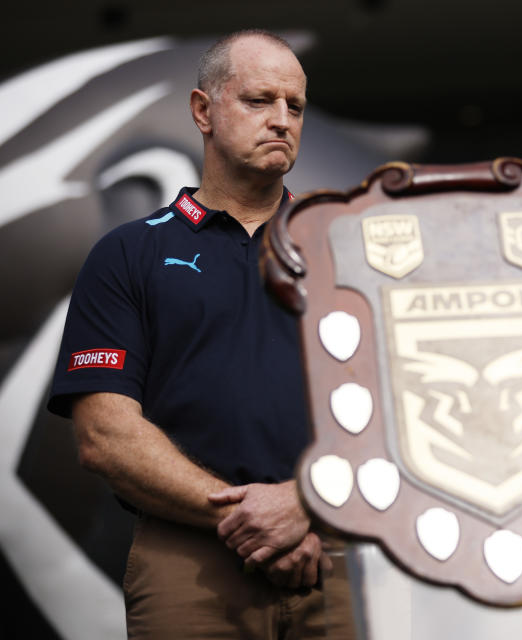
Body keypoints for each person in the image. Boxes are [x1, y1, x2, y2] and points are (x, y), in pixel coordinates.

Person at [48, 30, 354, 639]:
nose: (281, 120)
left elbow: (411, 404)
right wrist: (255, 519)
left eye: (294, 106)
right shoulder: (129, 252)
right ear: (201, 110)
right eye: (259, 100)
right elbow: (106, 436)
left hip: (339, 547)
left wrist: (304, 503)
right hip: (188, 560)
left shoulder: (349, 246)